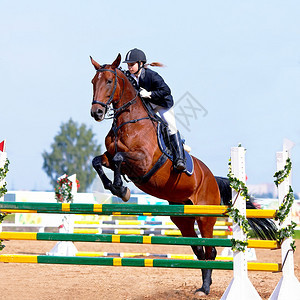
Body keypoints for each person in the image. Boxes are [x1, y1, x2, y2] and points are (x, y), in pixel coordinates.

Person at [123, 48, 186, 171]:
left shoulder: (151, 75)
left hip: (162, 103)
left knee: (171, 126)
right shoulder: (129, 76)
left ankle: (180, 158)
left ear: (140, 64)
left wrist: (150, 94)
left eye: (132, 65)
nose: (130, 67)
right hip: (149, 105)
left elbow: (166, 91)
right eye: (128, 65)